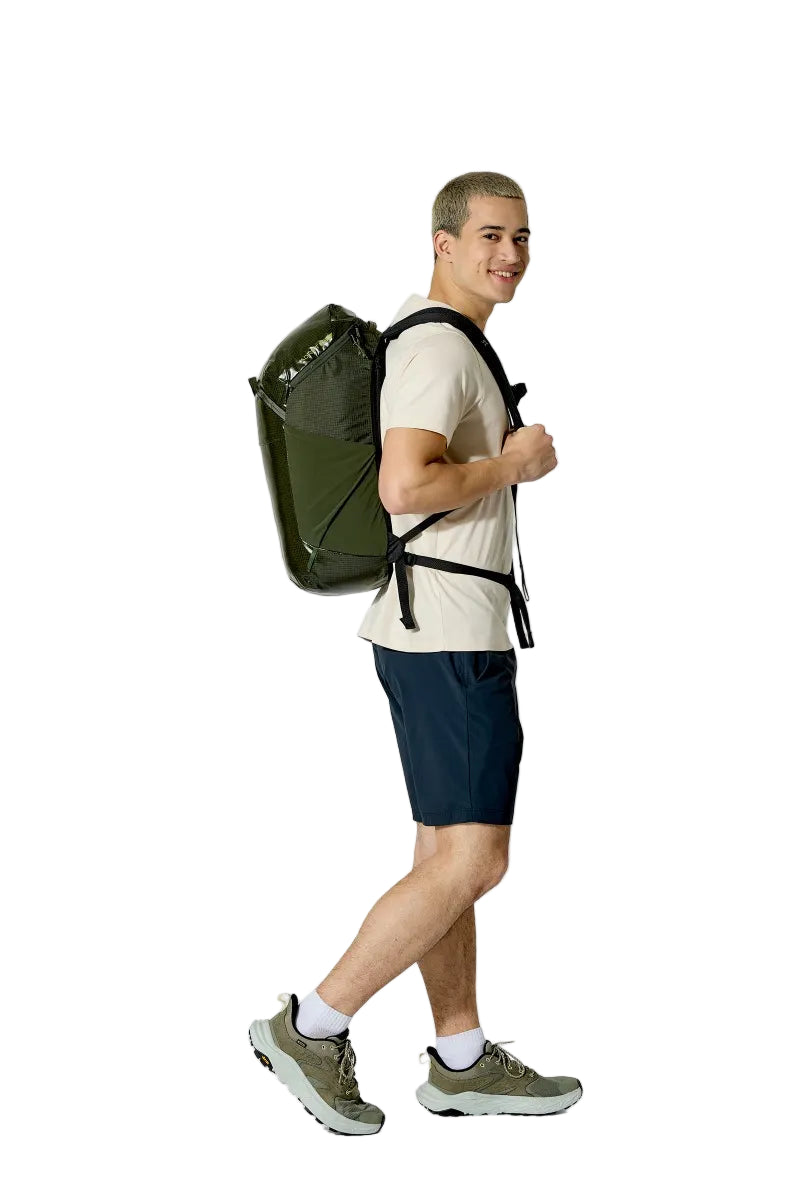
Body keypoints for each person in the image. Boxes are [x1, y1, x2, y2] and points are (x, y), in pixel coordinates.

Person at [249, 171, 582, 1135]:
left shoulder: (440, 336)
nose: (509, 255)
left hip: (431, 628)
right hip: (446, 634)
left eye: (522, 237)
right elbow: (405, 485)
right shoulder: (438, 346)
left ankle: (461, 1057)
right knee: (473, 862)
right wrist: (511, 465)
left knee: (443, 852)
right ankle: (314, 1023)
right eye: (488, 235)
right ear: (441, 242)